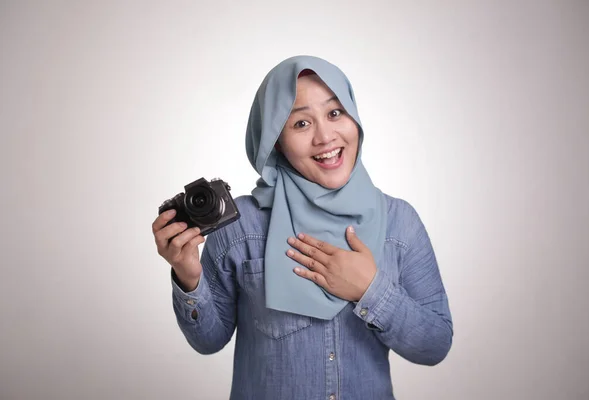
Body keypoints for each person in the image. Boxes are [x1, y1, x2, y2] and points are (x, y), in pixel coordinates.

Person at [152, 55, 453, 400]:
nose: (325, 136)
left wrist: (370, 290)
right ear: (275, 141)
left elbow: (435, 345)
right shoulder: (241, 225)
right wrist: (188, 274)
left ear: (353, 118)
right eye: (300, 124)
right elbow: (208, 341)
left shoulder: (400, 223)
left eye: (335, 113)